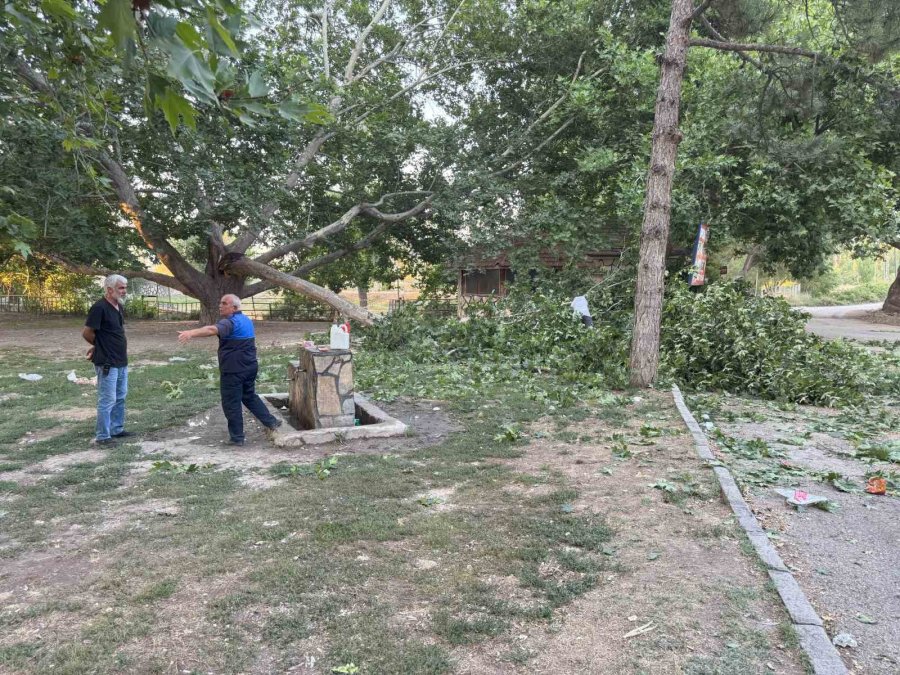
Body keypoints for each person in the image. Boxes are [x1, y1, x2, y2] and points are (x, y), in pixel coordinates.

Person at [177, 294, 281, 446]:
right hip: (250, 367)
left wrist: (191, 333)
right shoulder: (246, 320)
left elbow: (211, 329)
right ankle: (271, 421)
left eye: (224, 303)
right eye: (220, 302)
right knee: (249, 396)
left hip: (233, 370)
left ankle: (237, 438)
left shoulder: (230, 322)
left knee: (231, 403)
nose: (220, 305)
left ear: (234, 307)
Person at [83, 274, 133, 446]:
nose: (124, 291)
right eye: (121, 288)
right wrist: (98, 346)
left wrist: (99, 344)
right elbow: (87, 333)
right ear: (110, 289)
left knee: (120, 396)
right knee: (107, 399)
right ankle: (103, 436)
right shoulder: (99, 308)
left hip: (121, 360)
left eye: (125, 287)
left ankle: (116, 429)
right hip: (107, 362)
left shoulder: (118, 306)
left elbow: (112, 333)